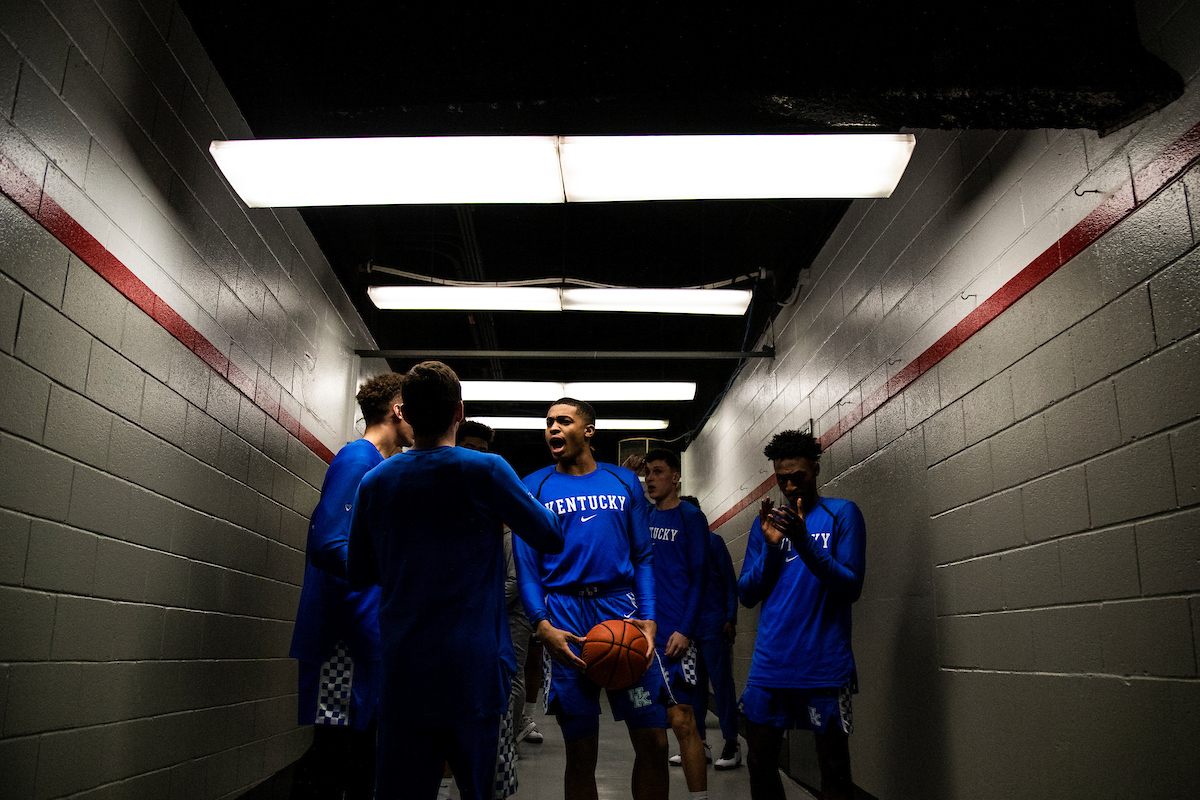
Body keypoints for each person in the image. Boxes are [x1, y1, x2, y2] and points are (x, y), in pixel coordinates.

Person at [347, 361, 564, 800]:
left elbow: (360, 572)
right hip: (473, 672)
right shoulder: (485, 470)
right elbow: (550, 537)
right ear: (459, 412)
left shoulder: (373, 482)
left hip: (404, 671)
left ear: (404, 412)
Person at [514, 398, 670, 800]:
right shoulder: (533, 487)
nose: (552, 428)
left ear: (588, 430)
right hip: (565, 615)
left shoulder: (623, 481)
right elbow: (528, 567)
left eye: (563, 421)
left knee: (654, 743)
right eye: (548, 422)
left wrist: (650, 616)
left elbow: (643, 556)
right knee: (580, 754)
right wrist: (541, 624)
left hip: (622, 615)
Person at [288, 372, 413, 799]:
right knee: (338, 756)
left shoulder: (380, 464)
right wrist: (392, 574)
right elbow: (326, 545)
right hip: (343, 639)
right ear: (399, 411)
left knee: (361, 756)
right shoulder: (358, 460)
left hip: (366, 634)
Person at [737, 430, 866, 800]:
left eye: (799, 477)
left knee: (835, 770)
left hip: (823, 663)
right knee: (759, 761)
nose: (790, 485)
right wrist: (773, 548)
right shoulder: (766, 524)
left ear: (816, 469)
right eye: (782, 478)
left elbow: (851, 586)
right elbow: (746, 594)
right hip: (771, 664)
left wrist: (805, 542)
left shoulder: (842, 513)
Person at [640, 450, 710, 797]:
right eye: (647, 473)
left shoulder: (691, 518)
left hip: (678, 637)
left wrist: (686, 629)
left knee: (684, 721)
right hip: (645, 640)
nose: (651, 478)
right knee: (651, 732)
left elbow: (700, 579)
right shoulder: (643, 518)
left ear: (675, 477)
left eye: (658, 472)